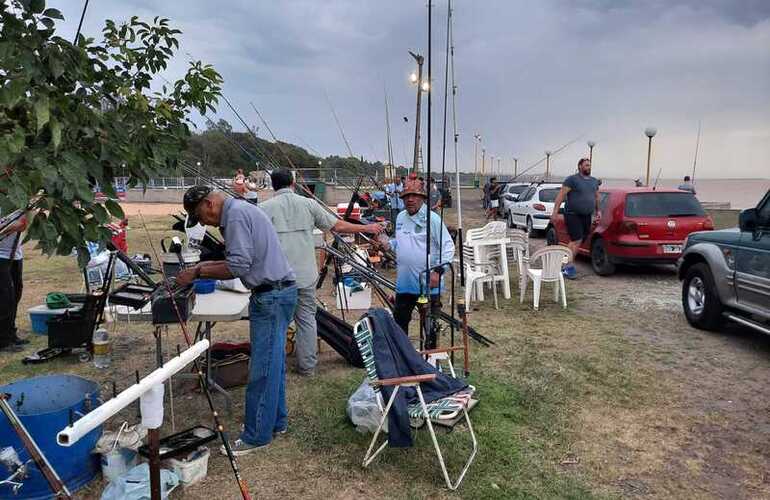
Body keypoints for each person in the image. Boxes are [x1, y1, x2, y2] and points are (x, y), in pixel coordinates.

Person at [177, 186, 297, 456]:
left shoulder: (235, 217)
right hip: (280, 292)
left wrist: (198, 271)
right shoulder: (242, 209)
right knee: (273, 364)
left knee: (262, 370)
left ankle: (256, 436)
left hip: (272, 296)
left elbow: (238, 265)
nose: (204, 223)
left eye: (201, 217)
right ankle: (276, 422)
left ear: (209, 204)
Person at [259, 169, 384, 376]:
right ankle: (307, 367)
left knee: (277, 323)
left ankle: (275, 368)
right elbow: (337, 226)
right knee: (306, 319)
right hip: (305, 276)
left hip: (278, 278)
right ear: (293, 183)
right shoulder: (308, 204)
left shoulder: (263, 208)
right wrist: (368, 228)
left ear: (273, 186)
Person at [377, 179, 454, 346]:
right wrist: (386, 244)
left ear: (422, 198)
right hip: (404, 283)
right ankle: (405, 358)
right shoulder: (400, 217)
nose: (410, 199)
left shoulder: (432, 219)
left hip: (428, 284)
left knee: (430, 327)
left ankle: (431, 359)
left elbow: (448, 246)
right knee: (400, 323)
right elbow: (400, 241)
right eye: (406, 196)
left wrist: (438, 271)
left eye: (414, 196)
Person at [550, 158, 601, 279]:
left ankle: (564, 262)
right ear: (580, 166)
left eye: (590, 165)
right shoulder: (572, 180)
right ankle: (568, 266)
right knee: (576, 240)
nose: (588, 167)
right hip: (572, 214)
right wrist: (555, 212)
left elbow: (597, 197)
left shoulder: (594, 181)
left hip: (586, 215)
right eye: (586, 165)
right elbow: (561, 196)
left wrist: (598, 211)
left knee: (580, 240)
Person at [0, 211, 29, 352]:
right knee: (5, 297)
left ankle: (11, 334)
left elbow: (24, 224)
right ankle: (3, 341)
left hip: (15, 254)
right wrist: (12, 227)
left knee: (15, 295)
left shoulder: (19, 202)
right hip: (1, 256)